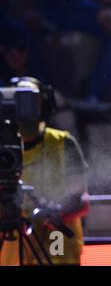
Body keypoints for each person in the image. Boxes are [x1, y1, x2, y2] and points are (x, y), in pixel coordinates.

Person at [0, 77, 89, 266]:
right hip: (13, 250)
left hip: (57, 244)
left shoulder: (62, 142)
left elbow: (81, 201)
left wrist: (56, 212)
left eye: (31, 100)